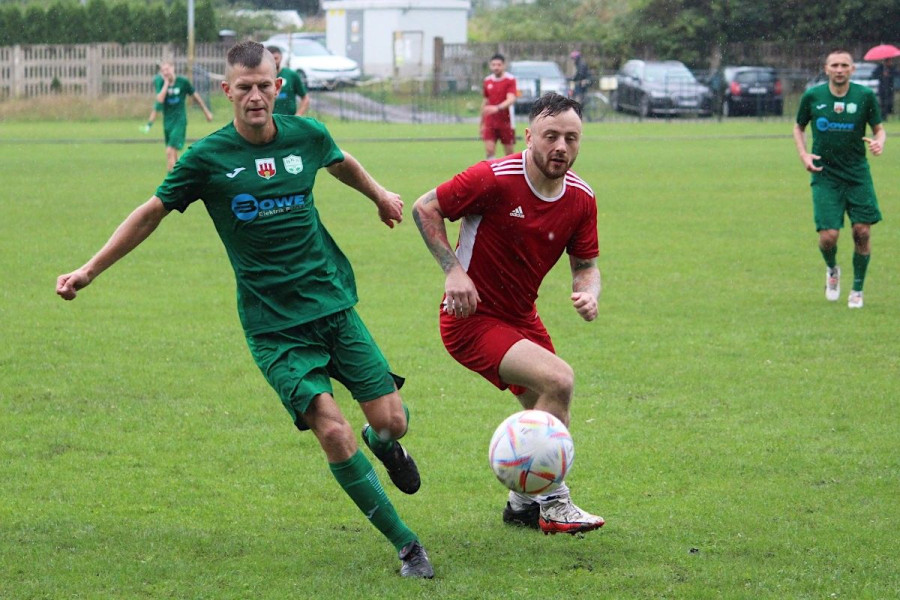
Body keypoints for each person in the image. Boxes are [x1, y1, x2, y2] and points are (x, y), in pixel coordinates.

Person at [56, 41, 434, 578]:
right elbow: (150, 213)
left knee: (392, 422)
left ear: (279, 86)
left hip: (333, 307)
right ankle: (406, 544)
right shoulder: (206, 159)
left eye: (264, 85)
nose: (255, 96)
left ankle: (383, 444)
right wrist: (89, 270)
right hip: (274, 327)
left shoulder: (307, 134)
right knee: (332, 431)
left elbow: (339, 161)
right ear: (226, 90)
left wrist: (378, 195)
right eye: (244, 87)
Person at [412, 92, 605, 535]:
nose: (561, 147)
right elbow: (426, 208)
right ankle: (555, 506)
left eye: (571, 138)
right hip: (470, 318)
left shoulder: (581, 198)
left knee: (544, 410)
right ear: (529, 135)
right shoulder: (494, 178)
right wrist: (453, 273)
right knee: (558, 380)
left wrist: (588, 293)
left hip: (521, 318)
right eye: (551, 135)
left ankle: (522, 504)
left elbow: (586, 267)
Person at [793, 49, 886, 309]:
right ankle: (832, 270)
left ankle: (857, 289)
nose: (839, 69)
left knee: (862, 231)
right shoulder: (813, 96)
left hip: (857, 174)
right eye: (834, 65)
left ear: (852, 70)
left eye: (845, 65)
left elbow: (879, 129)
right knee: (828, 237)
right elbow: (798, 127)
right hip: (825, 175)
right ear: (826, 69)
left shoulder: (865, 96)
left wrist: (879, 143)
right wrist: (804, 154)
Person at [150, 61, 214, 172]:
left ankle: (171, 183)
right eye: (163, 70)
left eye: (167, 69)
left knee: (169, 151)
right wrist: (166, 84)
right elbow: (159, 99)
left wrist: (206, 112)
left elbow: (196, 97)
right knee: (174, 156)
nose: (166, 72)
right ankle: (185, 175)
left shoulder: (183, 82)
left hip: (180, 121)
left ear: (173, 68)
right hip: (167, 123)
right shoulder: (160, 82)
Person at [481, 53, 518, 159]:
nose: (496, 67)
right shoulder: (487, 80)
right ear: (490, 66)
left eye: (498, 65)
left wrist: (497, 108)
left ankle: (510, 173)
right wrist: (482, 122)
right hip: (490, 121)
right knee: (489, 150)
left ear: (504, 65)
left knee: (509, 153)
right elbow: (485, 101)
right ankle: (493, 174)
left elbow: (511, 99)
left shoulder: (510, 80)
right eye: (493, 65)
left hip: (506, 120)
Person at [267, 45, 310, 116]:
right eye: (270, 59)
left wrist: (298, 116)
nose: (273, 62)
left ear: (281, 57)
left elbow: (305, 98)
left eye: (276, 58)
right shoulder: (261, 77)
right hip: (269, 121)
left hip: (288, 120)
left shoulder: (291, 75)